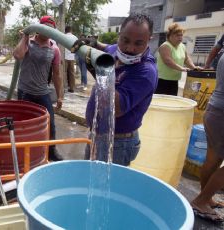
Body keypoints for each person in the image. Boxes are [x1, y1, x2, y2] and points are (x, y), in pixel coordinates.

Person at [84, 13, 158, 166]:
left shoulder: (145, 72)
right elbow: (107, 47)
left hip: (118, 143)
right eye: (125, 40)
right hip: (96, 134)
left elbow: (113, 108)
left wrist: (100, 75)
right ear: (119, 36)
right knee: (88, 181)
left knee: (107, 189)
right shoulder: (116, 51)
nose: (130, 48)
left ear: (148, 40)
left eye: (138, 43)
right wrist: (94, 43)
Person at [13, 15, 64, 161]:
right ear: (39, 28)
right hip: (25, 91)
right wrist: (25, 37)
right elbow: (17, 55)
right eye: (45, 27)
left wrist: (60, 96)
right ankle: (22, 150)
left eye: (51, 28)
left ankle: (51, 150)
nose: (48, 31)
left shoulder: (54, 49)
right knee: (23, 124)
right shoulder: (28, 42)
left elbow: (56, 74)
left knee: (50, 123)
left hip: (42, 92)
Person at [190, 55, 224, 223]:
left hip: (215, 110)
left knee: (213, 159)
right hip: (222, 114)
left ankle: (205, 197)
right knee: (214, 160)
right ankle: (201, 201)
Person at [155, 23, 201, 96]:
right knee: (160, 103)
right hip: (162, 80)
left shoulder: (182, 46)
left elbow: (186, 59)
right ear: (170, 36)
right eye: (177, 35)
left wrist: (193, 67)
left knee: (172, 103)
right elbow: (168, 61)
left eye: (181, 35)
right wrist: (182, 68)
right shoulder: (165, 46)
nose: (180, 37)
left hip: (174, 80)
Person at [64, 26, 78, 93]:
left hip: (64, 57)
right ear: (71, 30)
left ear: (65, 30)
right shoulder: (75, 37)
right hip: (72, 57)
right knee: (72, 73)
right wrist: (72, 52)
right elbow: (77, 47)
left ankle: (63, 88)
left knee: (64, 72)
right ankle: (72, 88)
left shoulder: (63, 36)